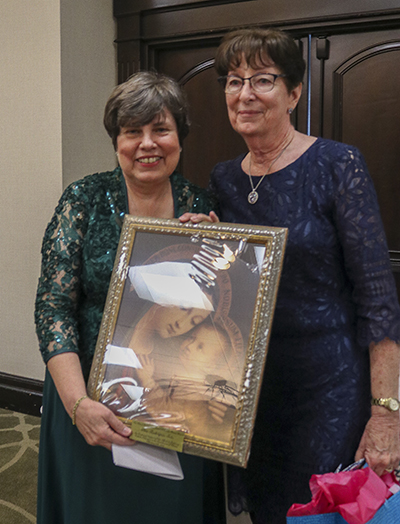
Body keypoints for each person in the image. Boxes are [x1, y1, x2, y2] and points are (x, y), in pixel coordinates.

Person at [180, 28, 400, 523]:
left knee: (318, 511)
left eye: (262, 79)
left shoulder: (337, 164)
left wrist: (386, 413)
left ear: (293, 92)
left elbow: (379, 301)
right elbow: (237, 283)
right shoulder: (224, 179)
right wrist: (209, 244)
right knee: (267, 506)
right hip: (254, 389)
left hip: (329, 385)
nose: (245, 94)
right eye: (234, 81)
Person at [34, 71, 225, 524]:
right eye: (132, 131)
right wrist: (78, 405)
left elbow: (220, 317)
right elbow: (53, 309)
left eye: (161, 129)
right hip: (88, 394)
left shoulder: (201, 205)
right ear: (116, 140)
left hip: (175, 400)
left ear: (180, 137)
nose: (147, 144)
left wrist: (223, 254)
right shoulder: (82, 200)